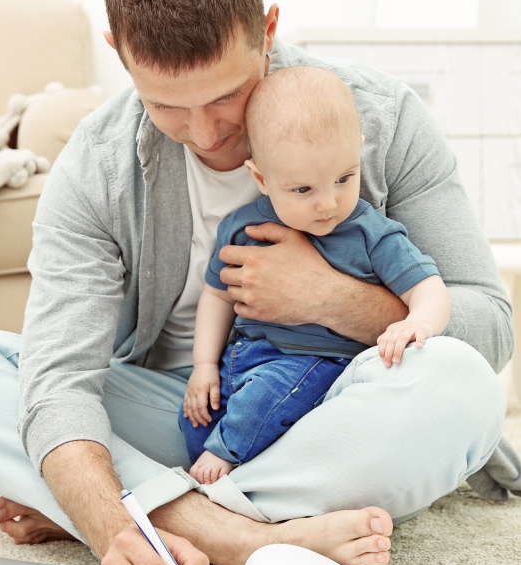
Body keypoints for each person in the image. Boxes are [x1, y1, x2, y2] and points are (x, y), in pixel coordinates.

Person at [0, 0, 521, 565]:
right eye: (167, 104)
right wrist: (114, 534)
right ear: (120, 55)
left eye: (226, 95)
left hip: (335, 404)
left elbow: (488, 325)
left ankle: (161, 505)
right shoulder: (96, 163)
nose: (205, 133)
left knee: (463, 386)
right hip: (183, 412)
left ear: (268, 29)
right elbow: (58, 382)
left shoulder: (382, 118)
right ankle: (252, 535)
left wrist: (326, 297)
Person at [181, 65, 451, 484]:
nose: (328, 203)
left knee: (264, 400)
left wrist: (418, 321)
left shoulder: (370, 233)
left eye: (344, 178)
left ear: (358, 152)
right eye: (303, 190)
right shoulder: (241, 228)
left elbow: (429, 288)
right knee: (198, 418)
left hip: (317, 365)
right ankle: (241, 482)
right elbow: (216, 296)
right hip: (240, 358)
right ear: (261, 178)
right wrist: (203, 366)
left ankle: (229, 459)